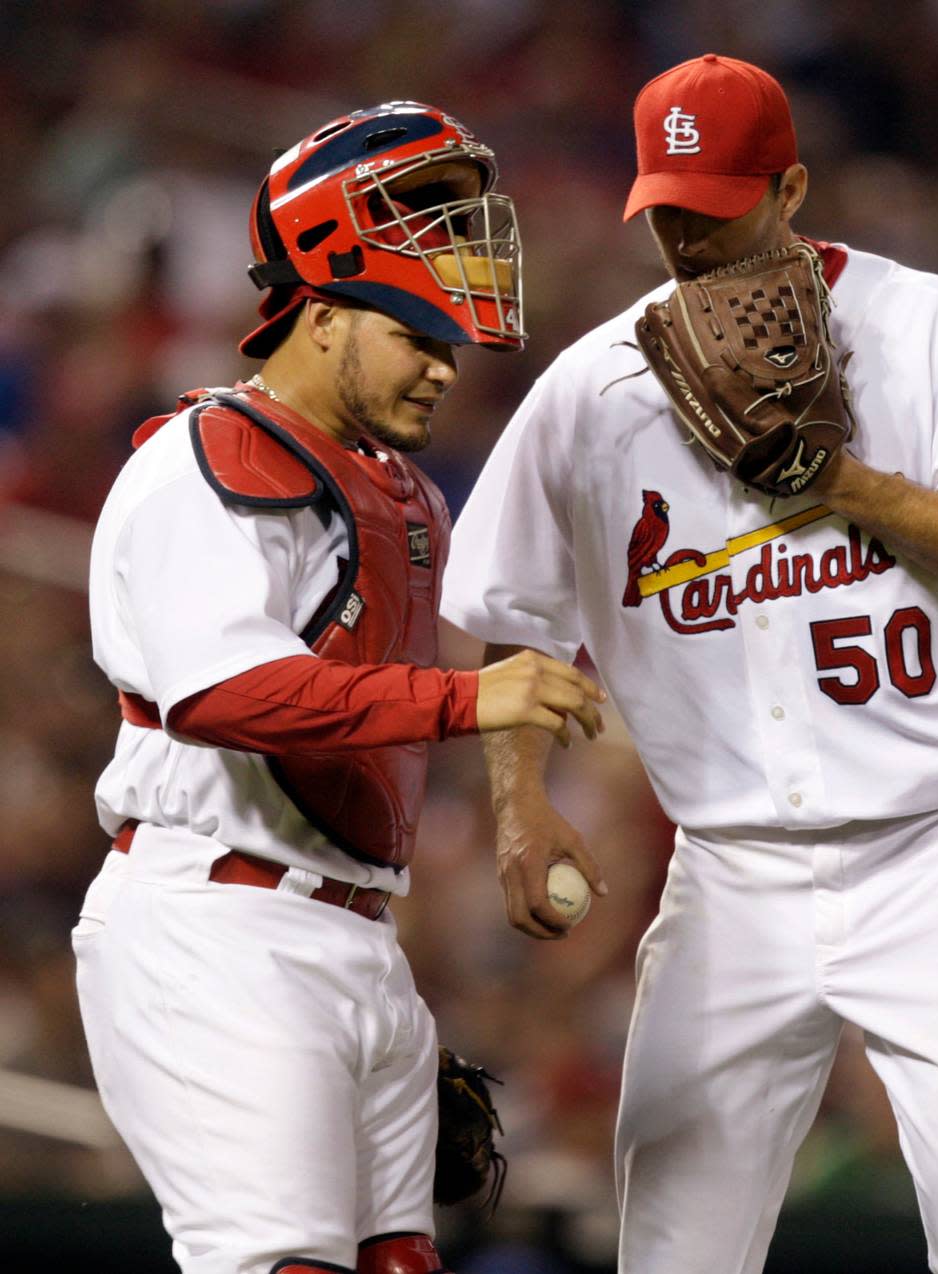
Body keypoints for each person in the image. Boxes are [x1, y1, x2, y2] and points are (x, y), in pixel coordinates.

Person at [441, 54, 938, 1274]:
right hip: (732, 873)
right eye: (665, 206)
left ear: (789, 187)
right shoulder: (592, 390)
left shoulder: (927, 325)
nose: (684, 232)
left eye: (716, 200)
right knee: (673, 1249)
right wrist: (521, 805)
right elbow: (513, 609)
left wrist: (842, 482)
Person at [73, 100, 605, 1274]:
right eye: (415, 332)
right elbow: (228, 693)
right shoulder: (204, 460)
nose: (440, 365)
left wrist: (521, 801)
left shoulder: (403, 493)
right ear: (316, 317)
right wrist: (471, 701)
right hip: (214, 922)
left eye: (451, 343)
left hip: (354, 931)